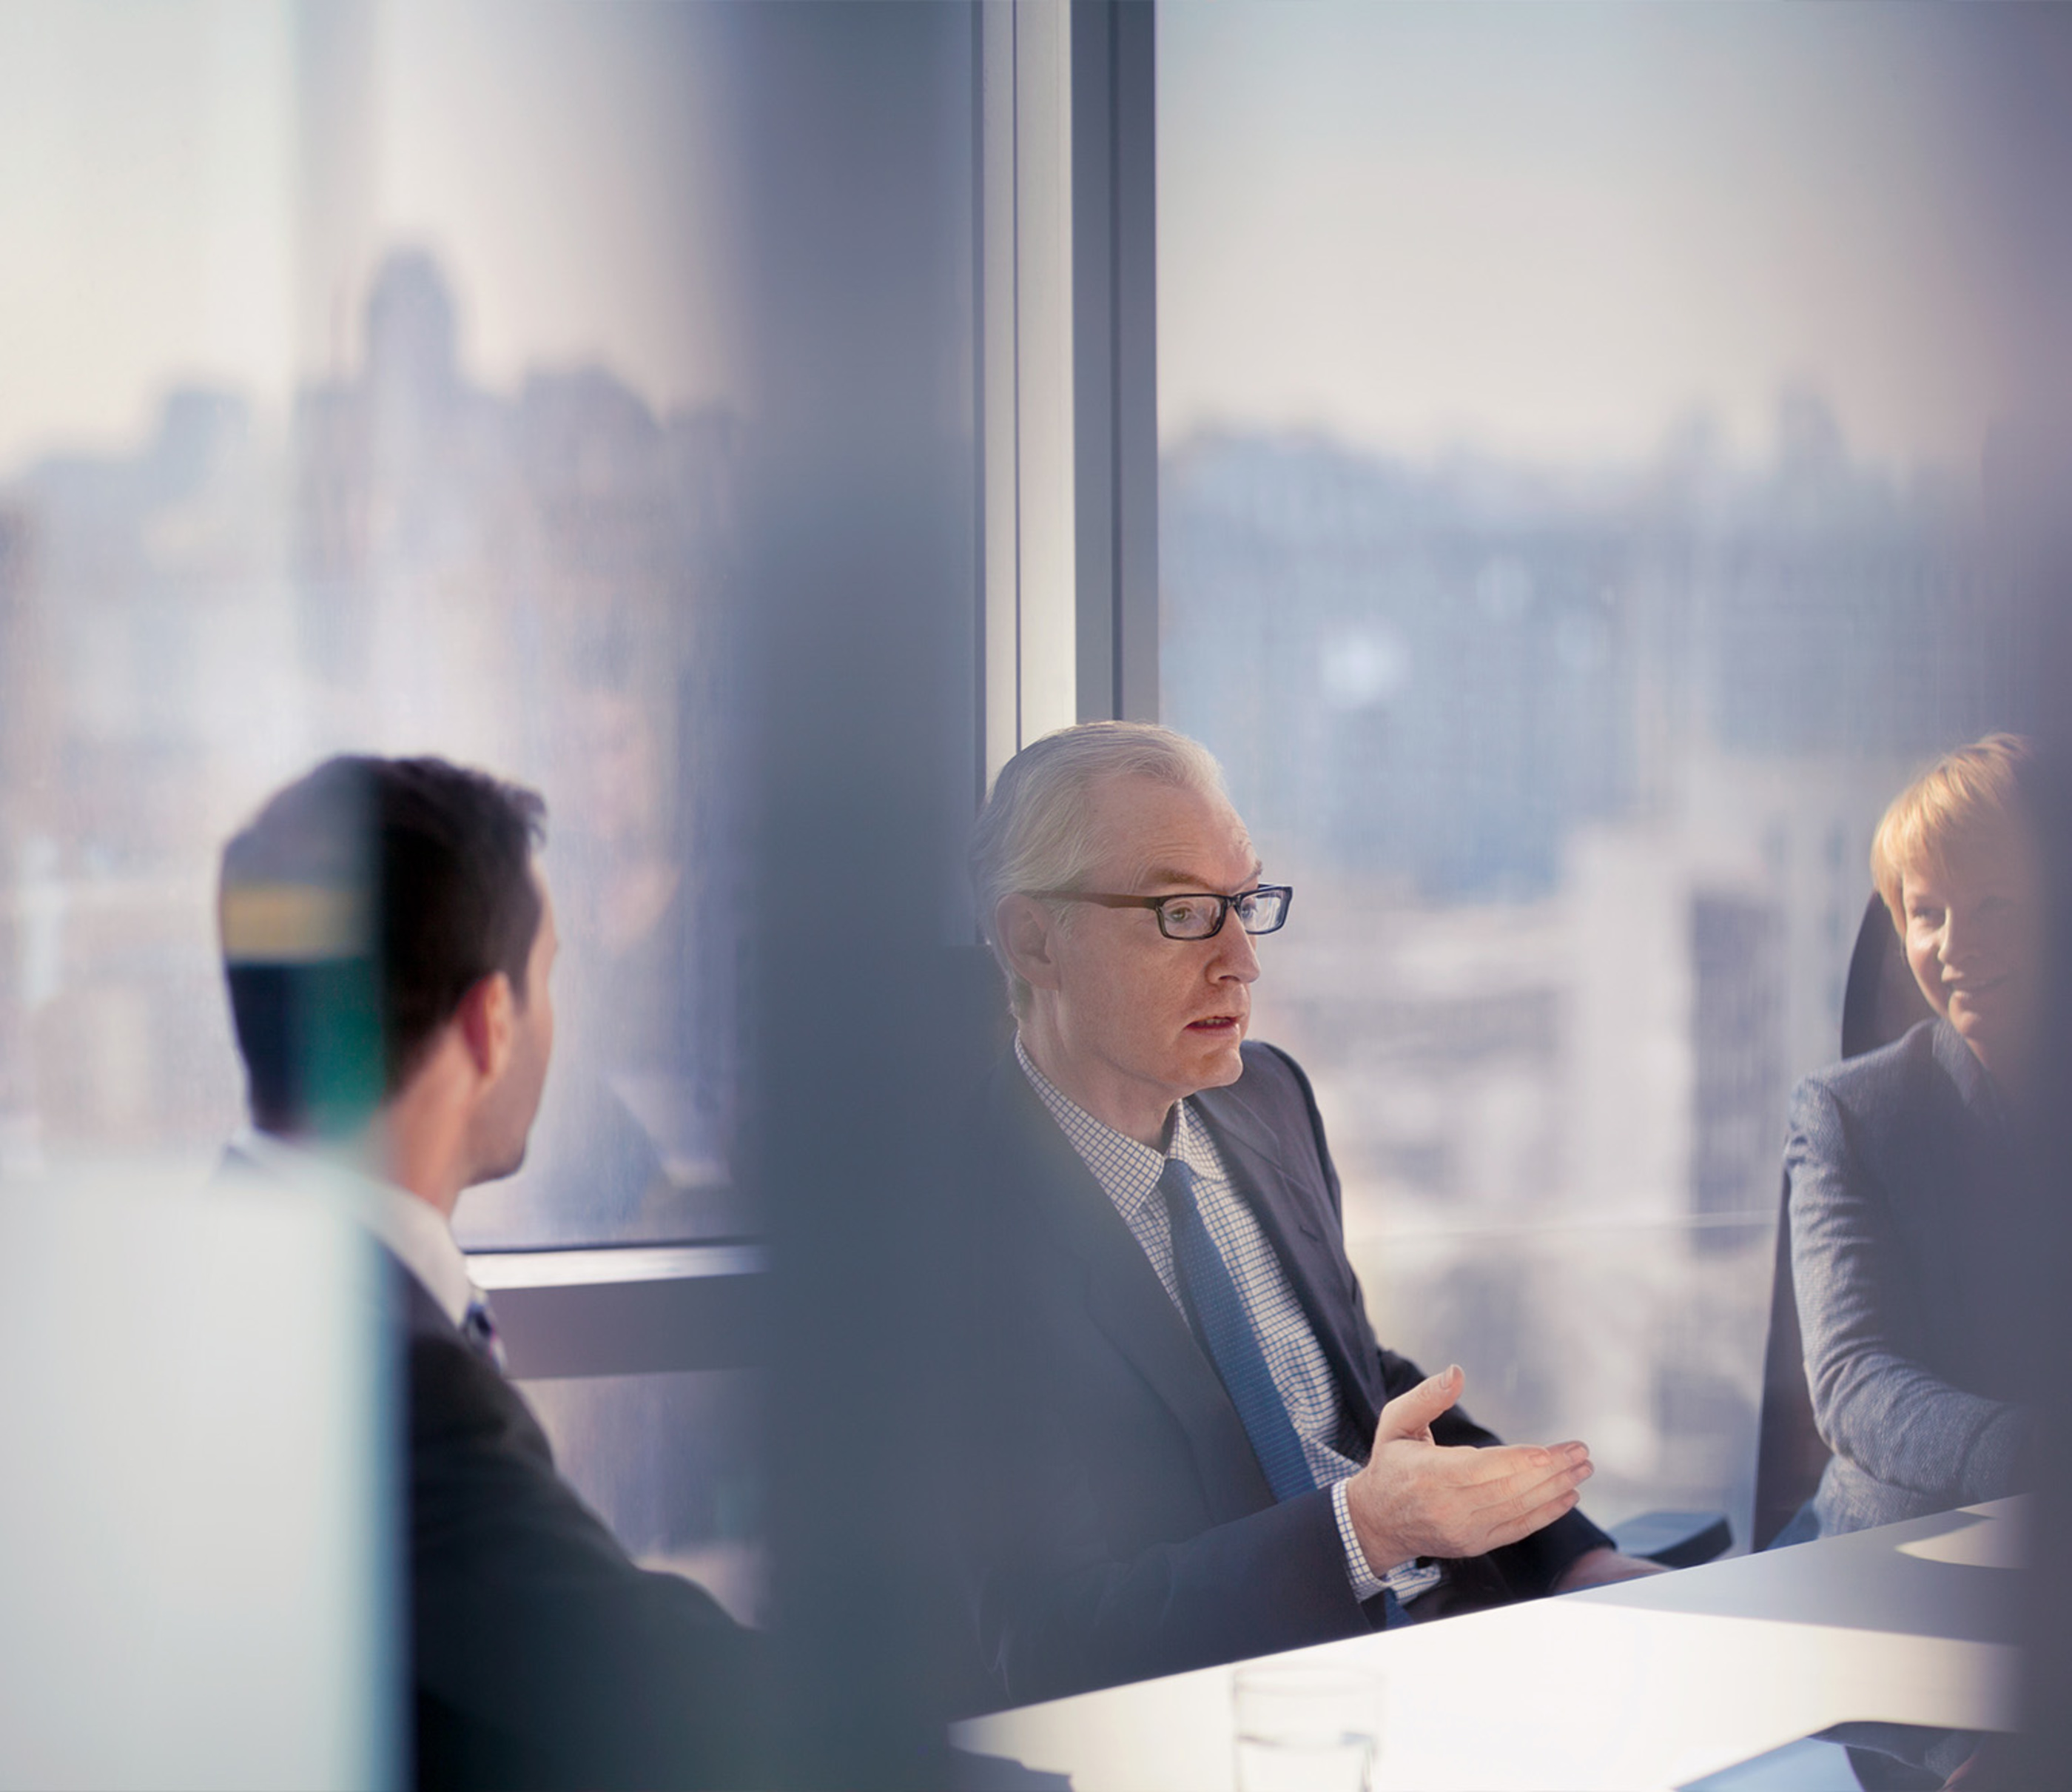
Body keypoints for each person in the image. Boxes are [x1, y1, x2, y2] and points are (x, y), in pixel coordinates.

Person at [955, 722, 1660, 1707]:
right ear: (1034, 939)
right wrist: (1361, 1533)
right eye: (1184, 911)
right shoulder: (954, 1240)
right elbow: (1052, 1638)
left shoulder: (1267, 1098)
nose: (1243, 961)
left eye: (1245, 903)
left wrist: (1576, 1561)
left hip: (1456, 1648)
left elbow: (1356, 1385)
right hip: (1238, 1720)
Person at [215, 755, 761, 1791]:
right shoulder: (392, 1376)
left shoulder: (212, 1279)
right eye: (549, 976)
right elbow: (649, 1684)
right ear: (489, 1023)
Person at [1784, 734, 2047, 1544]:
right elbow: (1853, 1379)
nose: (1953, 946)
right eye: (1926, 913)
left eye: (1993, 905)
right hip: (1892, 1546)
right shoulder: (1848, 1115)